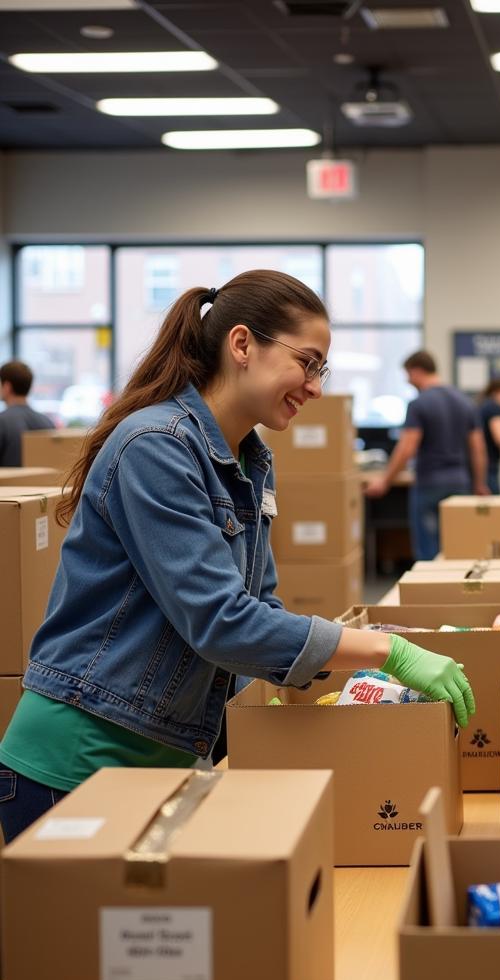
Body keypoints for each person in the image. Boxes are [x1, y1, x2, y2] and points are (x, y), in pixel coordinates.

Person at [0, 271, 475, 845]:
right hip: (78, 762)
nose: (316, 387)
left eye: (321, 369)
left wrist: (355, 676)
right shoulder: (156, 447)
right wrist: (386, 649)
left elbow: (259, 608)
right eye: (308, 361)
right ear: (243, 344)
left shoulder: (250, 460)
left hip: (167, 758)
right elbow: (221, 621)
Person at [365, 350, 488, 560]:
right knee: (459, 549)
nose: (407, 380)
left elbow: (407, 448)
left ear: (417, 370)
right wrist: (479, 483)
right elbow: (478, 449)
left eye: (408, 374)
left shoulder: (419, 404)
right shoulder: (465, 401)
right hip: (460, 482)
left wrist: (385, 481)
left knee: (429, 553)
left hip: (430, 484)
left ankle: (431, 592)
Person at [0, 359, 55, 467]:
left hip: (8, 484)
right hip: (42, 484)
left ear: (7, 387)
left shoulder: (2, 422)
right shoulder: (47, 422)